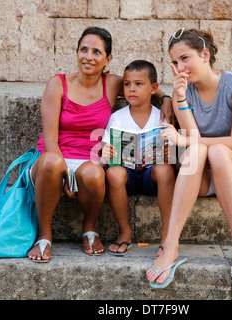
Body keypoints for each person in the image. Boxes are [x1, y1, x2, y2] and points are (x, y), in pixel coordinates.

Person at [27, 27, 174, 262]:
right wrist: (66, 173)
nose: (89, 57)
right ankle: (44, 235)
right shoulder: (58, 84)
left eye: (97, 52)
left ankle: (89, 228)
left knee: (96, 173)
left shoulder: (113, 83)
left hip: (90, 159)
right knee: (53, 162)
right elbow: (50, 138)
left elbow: (147, 86)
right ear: (77, 53)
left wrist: (166, 99)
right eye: (84, 49)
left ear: (108, 59)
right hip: (53, 157)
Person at [146, 28, 232, 287]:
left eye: (185, 59)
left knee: (219, 151)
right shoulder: (181, 93)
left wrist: (186, 141)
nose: (180, 69)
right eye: (174, 63)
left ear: (205, 55)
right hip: (199, 176)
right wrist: (178, 99)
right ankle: (171, 246)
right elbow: (194, 140)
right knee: (198, 150)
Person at [101, 60, 175, 256]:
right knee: (114, 173)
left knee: (165, 169)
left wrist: (170, 154)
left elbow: (176, 152)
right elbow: (105, 150)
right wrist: (106, 154)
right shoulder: (117, 117)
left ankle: (167, 233)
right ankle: (125, 230)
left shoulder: (163, 117)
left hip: (153, 176)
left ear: (154, 88)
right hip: (127, 176)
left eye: (138, 84)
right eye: (127, 84)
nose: (131, 89)